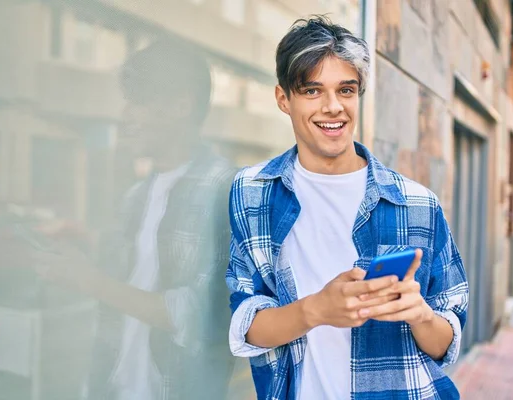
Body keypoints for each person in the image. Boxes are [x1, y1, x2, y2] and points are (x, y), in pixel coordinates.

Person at [226, 16, 469, 400]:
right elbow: (246, 325)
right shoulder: (253, 192)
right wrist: (315, 310)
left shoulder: (418, 203)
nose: (333, 107)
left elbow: (445, 344)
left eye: (346, 89)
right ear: (283, 99)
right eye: (312, 90)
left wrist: (420, 314)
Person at [34, 38, 237, 399]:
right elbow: (147, 263)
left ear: (180, 105)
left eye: (137, 102)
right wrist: (85, 239)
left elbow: (199, 317)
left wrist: (89, 281)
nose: (125, 116)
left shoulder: (227, 190)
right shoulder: (135, 196)